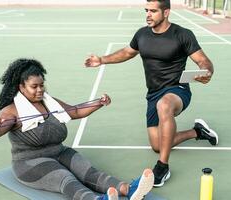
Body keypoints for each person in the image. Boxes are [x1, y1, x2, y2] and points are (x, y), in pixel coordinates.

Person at [84, 0, 218, 188]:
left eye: (153, 11)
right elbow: (127, 53)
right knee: (158, 145)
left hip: (177, 90)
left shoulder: (182, 35)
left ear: (166, 13)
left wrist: (206, 72)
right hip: (153, 93)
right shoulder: (142, 34)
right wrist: (102, 60)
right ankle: (197, 131)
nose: (148, 14)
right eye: (146, 10)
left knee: (164, 105)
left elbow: (203, 61)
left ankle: (163, 167)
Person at [0, 58, 154, 200]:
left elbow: (76, 111)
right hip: (30, 162)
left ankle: (127, 189)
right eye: (34, 86)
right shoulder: (12, 111)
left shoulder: (49, 102)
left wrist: (99, 103)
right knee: (65, 178)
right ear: (21, 87)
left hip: (59, 152)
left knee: (88, 171)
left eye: (42, 85)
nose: (40, 90)